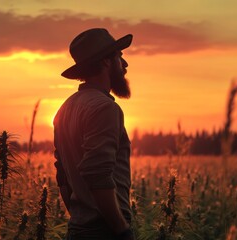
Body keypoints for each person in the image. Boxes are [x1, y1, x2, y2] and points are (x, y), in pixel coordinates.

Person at [53, 28, 134, 240]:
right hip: (105, 231)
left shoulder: (64, 109)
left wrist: (81, 218)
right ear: (107, 62)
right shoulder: (104, 108)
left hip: (78, 230)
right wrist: (121, 229)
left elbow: (62, 177)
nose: (125, 65)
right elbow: (98, 174)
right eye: (120, 57)